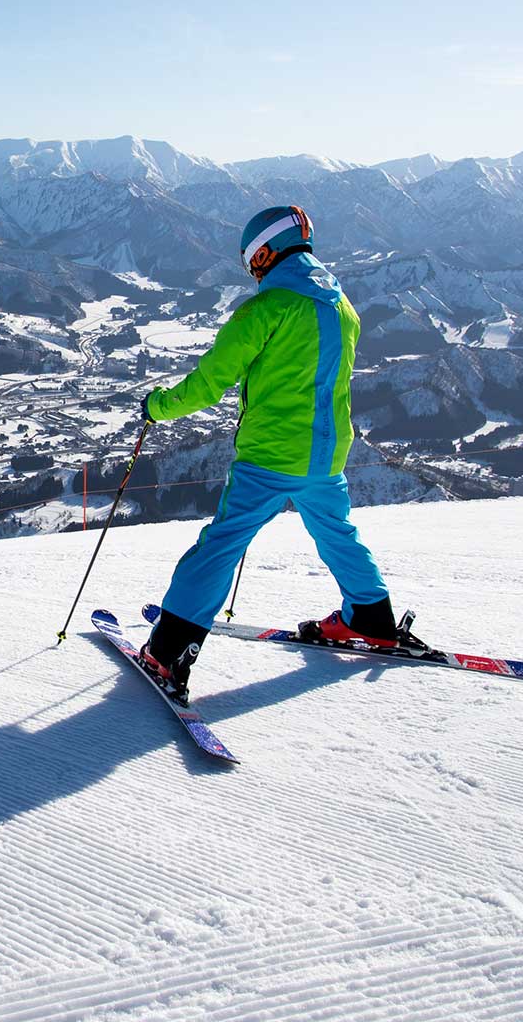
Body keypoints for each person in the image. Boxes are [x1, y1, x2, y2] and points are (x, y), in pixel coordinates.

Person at [135, 204, 398, 700]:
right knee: (338, 532)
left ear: (268, 252)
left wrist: (156, 406)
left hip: (270, 455)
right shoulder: (343, 307)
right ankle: (372, 616)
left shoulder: (265, 310)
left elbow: (210, 383)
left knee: (222, 544)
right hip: (328, 454)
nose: (254, 271)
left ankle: (167, 652)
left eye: (254, 261)